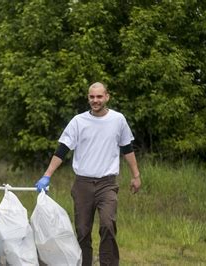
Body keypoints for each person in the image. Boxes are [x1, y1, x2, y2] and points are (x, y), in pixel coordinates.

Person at [35, 82, 141, 266]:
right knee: (83, 231)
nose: (95, 100)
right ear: (88, 98)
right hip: (82, 184)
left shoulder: (118, 120)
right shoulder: (78, 121)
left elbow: (127, 148)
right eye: (92, 97)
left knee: (108, 225)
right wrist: (47, 175)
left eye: (99, 96)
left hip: (107, 184)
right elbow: (63, 149)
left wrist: (136, 175)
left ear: (107, 97)